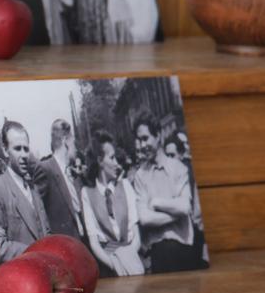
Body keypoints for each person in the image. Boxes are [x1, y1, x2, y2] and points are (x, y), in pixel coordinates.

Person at [130, 114, 199, 273]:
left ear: (158, 135)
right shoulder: (140, 176)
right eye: (139, 140)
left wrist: (156, 202)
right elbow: (145, 218)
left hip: (186, 250)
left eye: (145, 138)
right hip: (160, 255)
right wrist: (177, 214)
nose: (142, 145)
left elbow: (185, 207)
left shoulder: (179, 168)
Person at [80, 131, 145, 277]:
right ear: (100, 161)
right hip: (109, 265)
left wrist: (128, 260)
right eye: (112, 158)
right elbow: (94, 243)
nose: (117, 163)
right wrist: (115, 265)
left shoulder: (126, 186)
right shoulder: (87, 193)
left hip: (134, 259)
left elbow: (136, 234)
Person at [0, 122, 49, 265]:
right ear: (5, 150)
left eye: (26, 149)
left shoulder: (33, 188)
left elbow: (46, 232)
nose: (24, 155)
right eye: (17, 149)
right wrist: (37, 254)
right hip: (21, 272)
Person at [33, 120, 85, 242]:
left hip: (82, 242)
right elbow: (37, 211)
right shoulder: (45, 169)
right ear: (65, 140)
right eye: (74, 144)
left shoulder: (72, 173)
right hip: (64, 244)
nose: (76, 149)